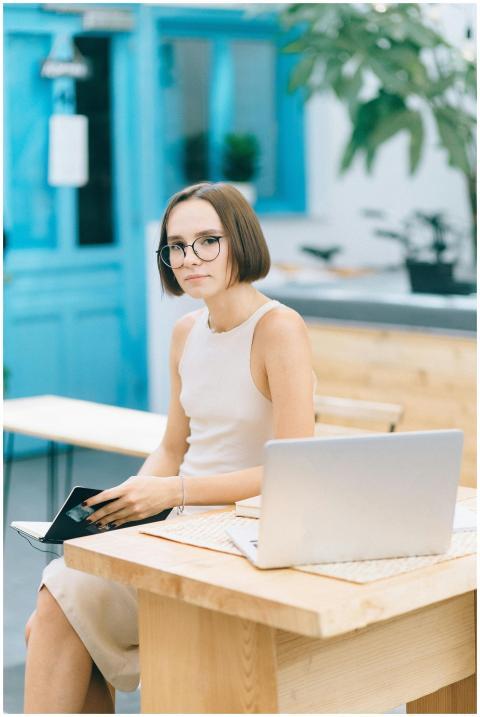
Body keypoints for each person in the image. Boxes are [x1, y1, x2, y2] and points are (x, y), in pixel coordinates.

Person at [23, 182, 315, 713]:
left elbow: (295, 470)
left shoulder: (279, 329)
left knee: (54, 613)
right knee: (58, 602)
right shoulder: (186, 332)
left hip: (241, 534)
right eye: (176, 246)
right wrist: (127, 499)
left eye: (207, 240)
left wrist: (170, 491)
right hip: (176, 523)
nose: (189, 258)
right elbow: (172, 446)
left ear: (240, 240)